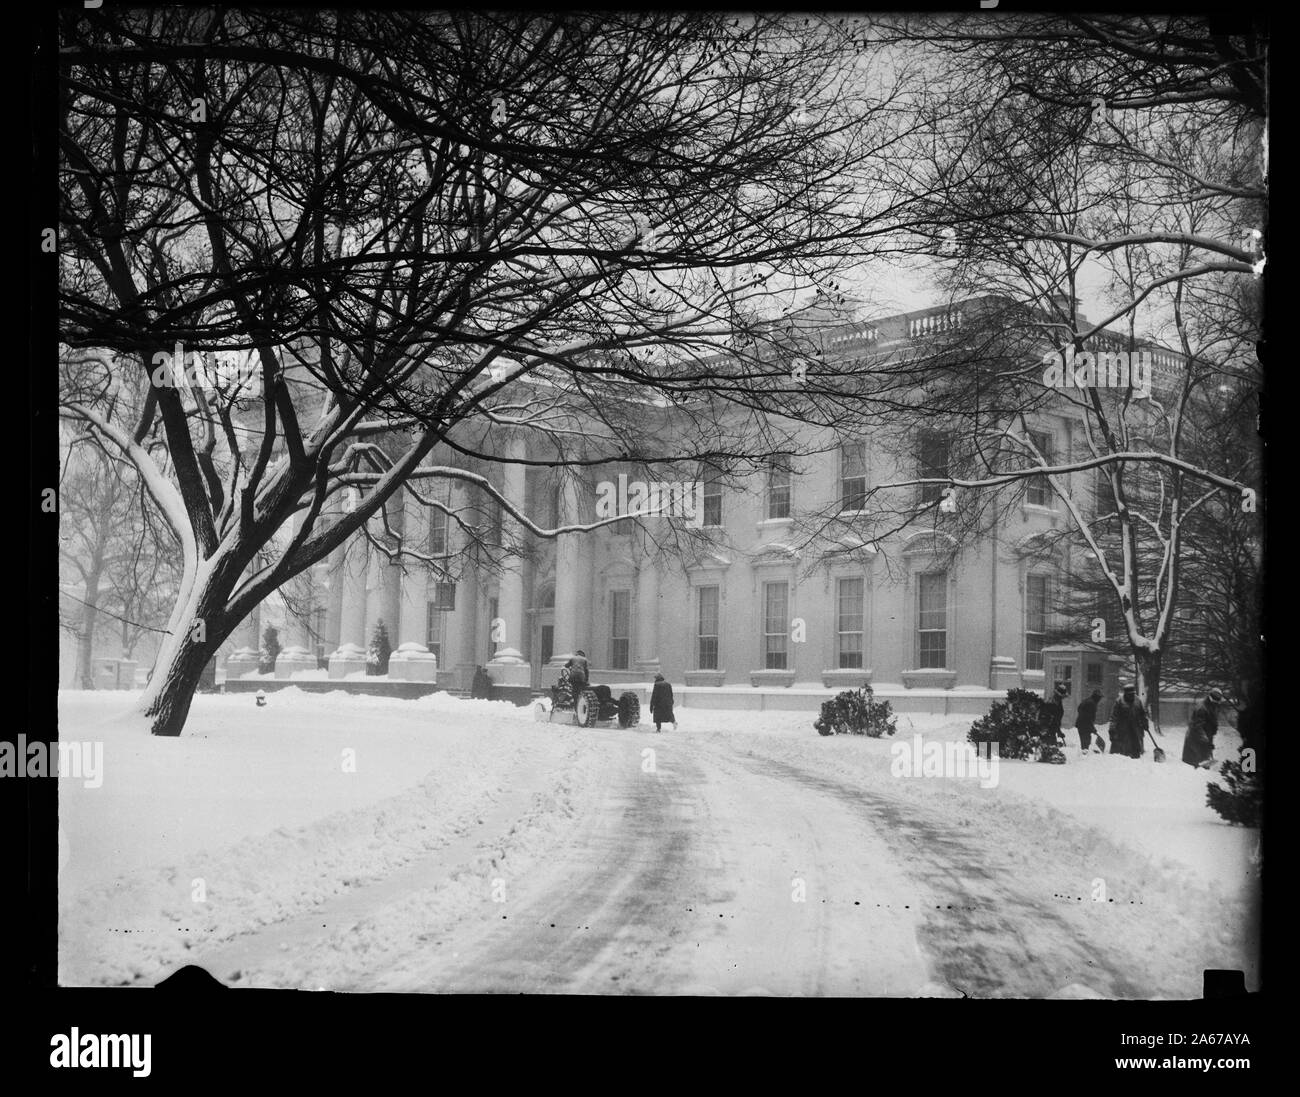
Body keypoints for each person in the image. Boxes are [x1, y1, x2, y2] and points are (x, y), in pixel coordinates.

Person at [1182, 688, 1224, 768]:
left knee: (1204, 760)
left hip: (1205, 736)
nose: (1217, 702)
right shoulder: (1202, 708)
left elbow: (1212, 720)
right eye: (1216, 699)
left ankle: (1204, 766)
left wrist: (1212, 733)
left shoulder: (1212, 706)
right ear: (1211, 697)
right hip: (1196, 738)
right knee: (1196, 763)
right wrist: (1205, 740)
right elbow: (1197, 726)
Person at [1108, 685, 1148, 759]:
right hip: (1122, 729)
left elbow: (1142, 714)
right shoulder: (1119, 701)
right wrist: (1112, 729)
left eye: (1132, 694)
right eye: (1129, 694)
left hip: (1135, 728)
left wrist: (1145, 722)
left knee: (1135, 749)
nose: (1131, 696)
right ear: (1125, 693)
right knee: (1121, 752)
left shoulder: (1137, 700)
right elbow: (1114, 717)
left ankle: (1135, 762)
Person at [1038, 681, 1068, 762]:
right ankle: (1047, 757)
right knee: (1048, 744)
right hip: (1047, 728)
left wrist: (1058, 731)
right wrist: (1044, 728)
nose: (1061, 698)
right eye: (1060, 696)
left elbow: (1056, 719)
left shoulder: (1058, 702)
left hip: (1052, 728)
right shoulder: (1050, 703)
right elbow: (1045, 717)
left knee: (1051, 745)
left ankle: (1048, 756)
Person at [1075, 689, 1104, 753]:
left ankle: (1085, 753)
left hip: (1081, 724)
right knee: (1086, 742)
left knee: (1085, 741)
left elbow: (1079, 709)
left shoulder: (1088, 701)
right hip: (1084, 725)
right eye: (1099, 698)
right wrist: (1092, 728)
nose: (1100, 699)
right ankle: (1085, 756)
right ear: (1096, 697)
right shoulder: (1091, 703)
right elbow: (1087, 718)